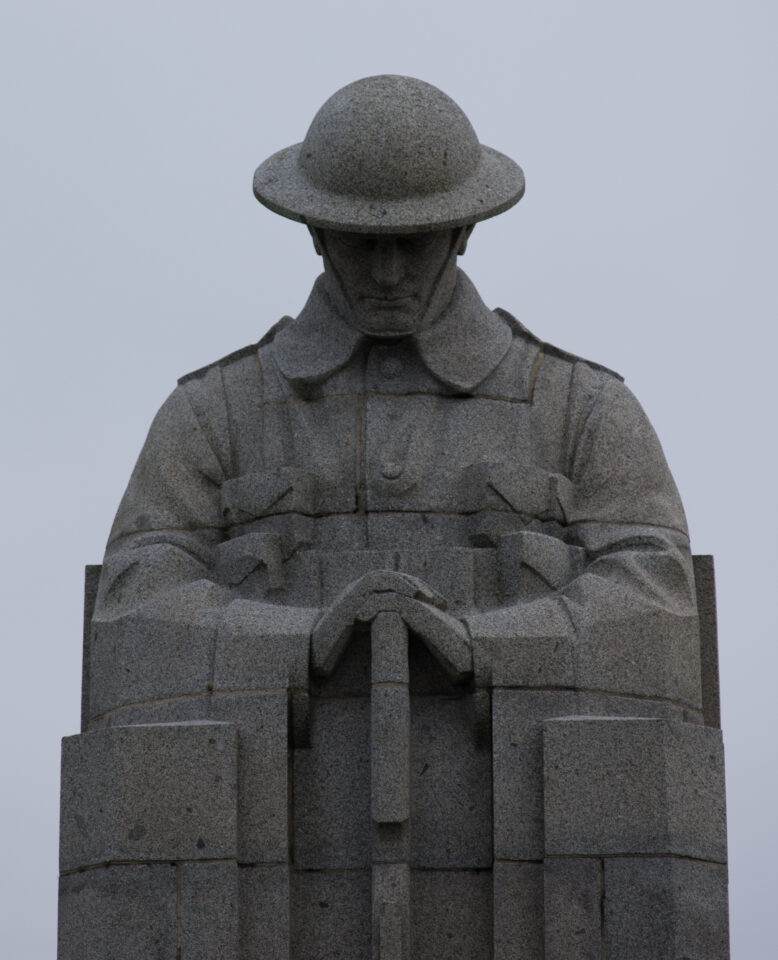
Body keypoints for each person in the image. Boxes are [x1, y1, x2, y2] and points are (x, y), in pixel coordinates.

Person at [86, 75, 709, 958]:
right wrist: (304, 639)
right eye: (359, 242)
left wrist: (486, 645)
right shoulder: (211, 415)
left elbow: (659, 606)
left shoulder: (583, 408)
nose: (386, 273)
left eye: (412, 244)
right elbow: (133, 611)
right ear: (313, 232)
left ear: (462, 230)